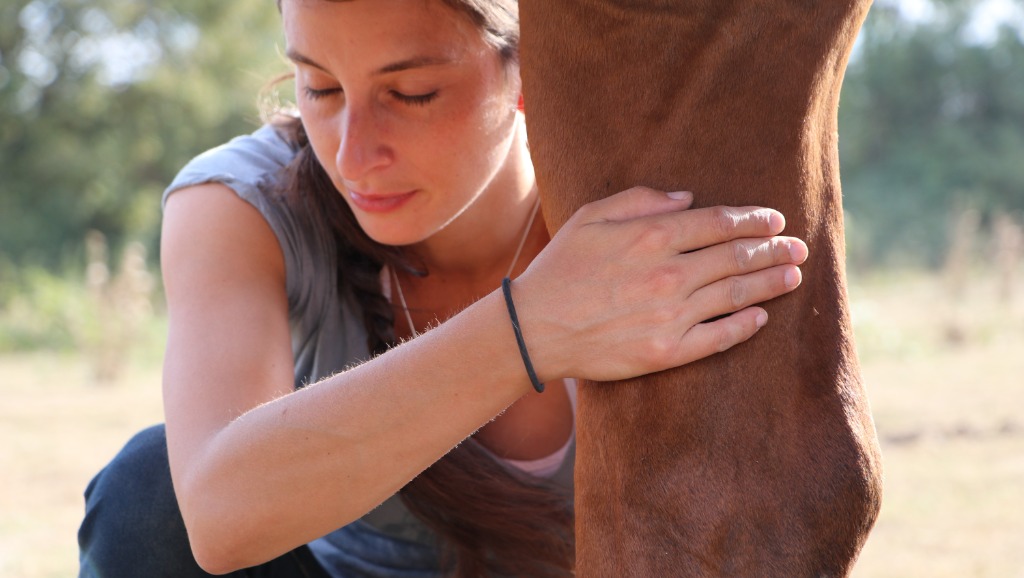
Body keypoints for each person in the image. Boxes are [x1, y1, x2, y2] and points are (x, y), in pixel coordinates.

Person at [77, 0, 809, 576]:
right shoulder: (242, 200)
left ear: (531, 70)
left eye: (413, 92)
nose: (352, 151)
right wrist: (533, 329)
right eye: (320, 87)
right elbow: (217, 514)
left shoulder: (642, 224)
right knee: (148, 494)